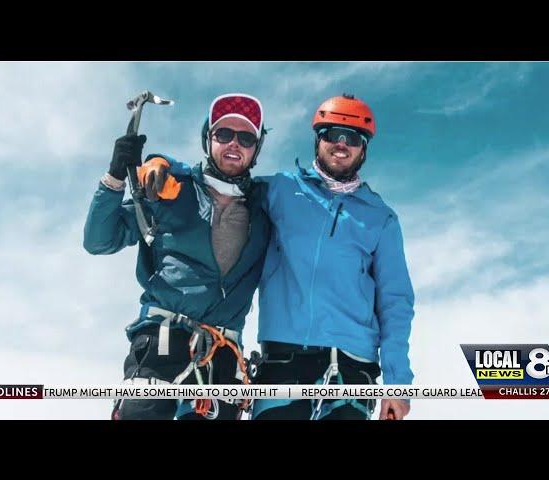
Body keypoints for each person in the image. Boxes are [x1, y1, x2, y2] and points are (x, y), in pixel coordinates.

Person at [147, 93, 415, 420]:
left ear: (364, 148)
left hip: (352, 366)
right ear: (318, 139)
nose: (341, 144)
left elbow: (395, 301)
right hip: (283, 360)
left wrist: (397, 383)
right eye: (332, 134)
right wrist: (163, 164)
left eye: (353, 138)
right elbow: (223, 176)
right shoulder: (280, 190)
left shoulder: (381, 218)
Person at [83, 93, 270, 420]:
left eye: (246, 138)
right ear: (207, 138)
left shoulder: (267, 209)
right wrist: (115, 176)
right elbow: (99, 241)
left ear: (257, 148)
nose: (234, 144)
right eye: (223, 134)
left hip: (222, 358)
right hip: (161, 344)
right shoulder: (168, 188)